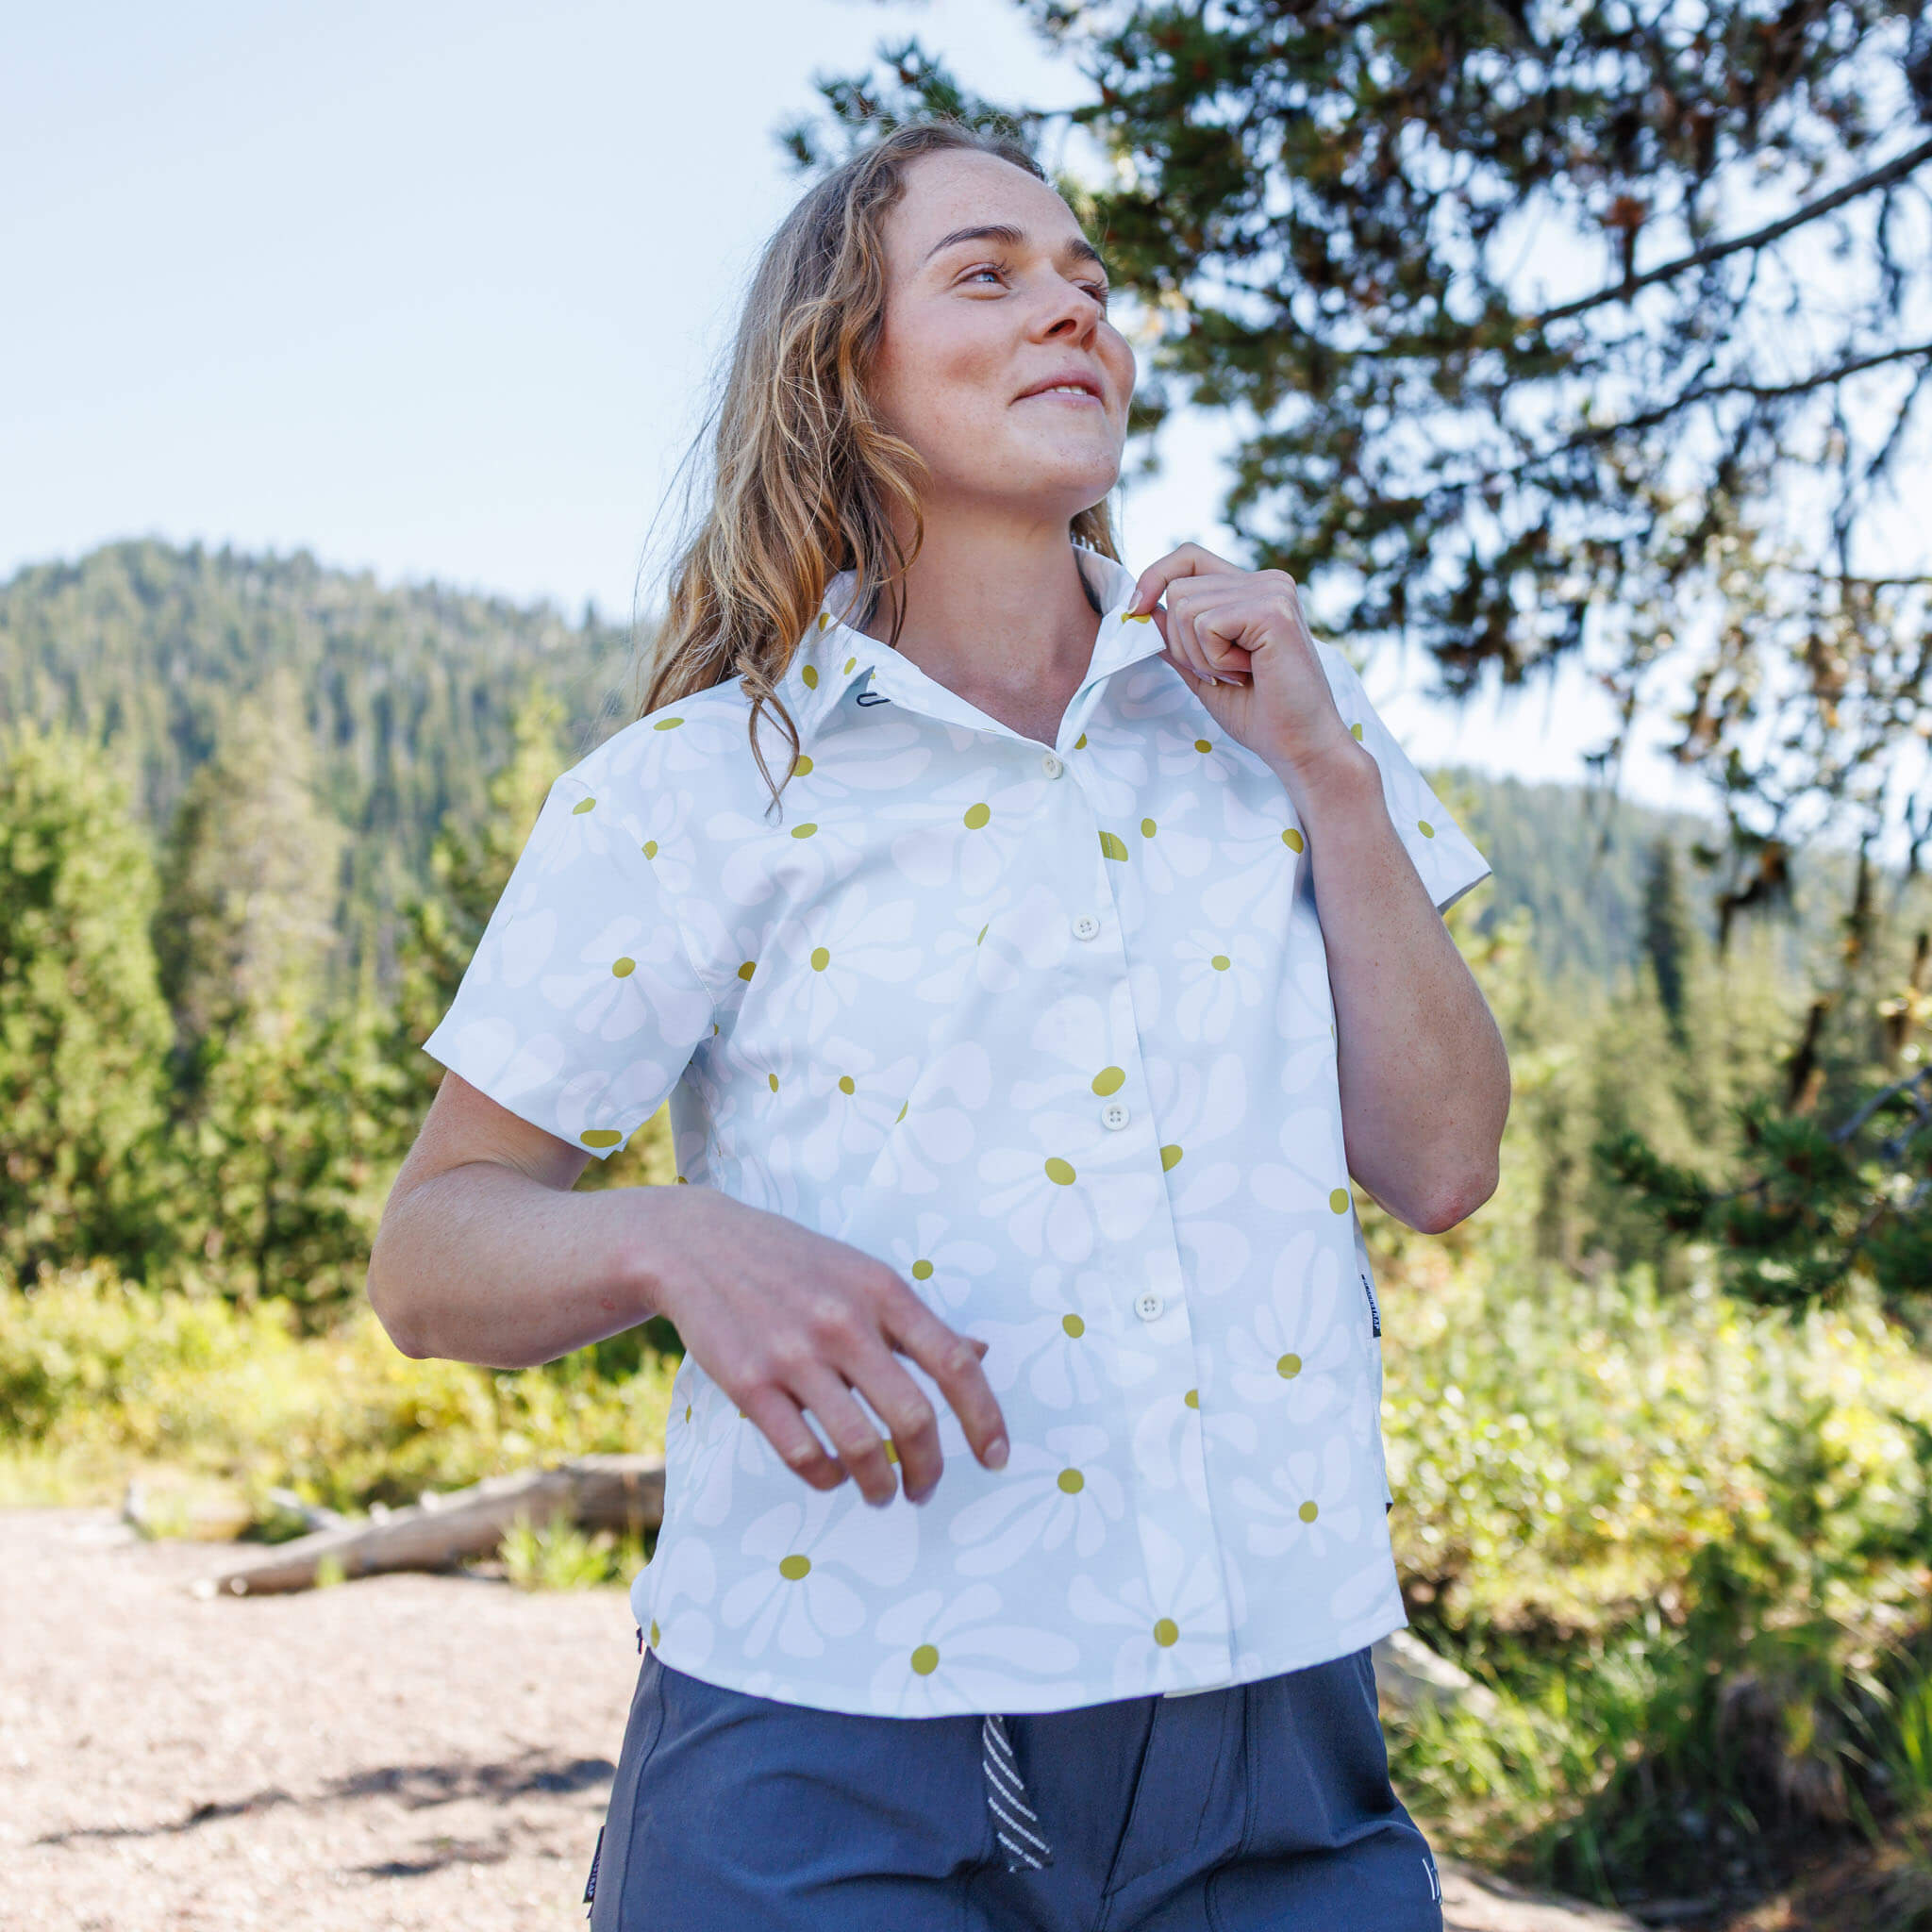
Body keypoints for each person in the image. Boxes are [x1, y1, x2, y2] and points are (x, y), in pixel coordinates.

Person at [367, 118, 1510, 1932]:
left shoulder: (1275, 713)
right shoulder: (690, 790)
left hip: (1277, 1742)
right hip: (832, 1743)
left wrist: (1328, 772)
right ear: (847, 371)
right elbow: (430, 1256)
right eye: (989, 274)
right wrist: (674, 1238)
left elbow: (1443, 1165)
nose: (1074, 312)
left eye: (1091, 284)